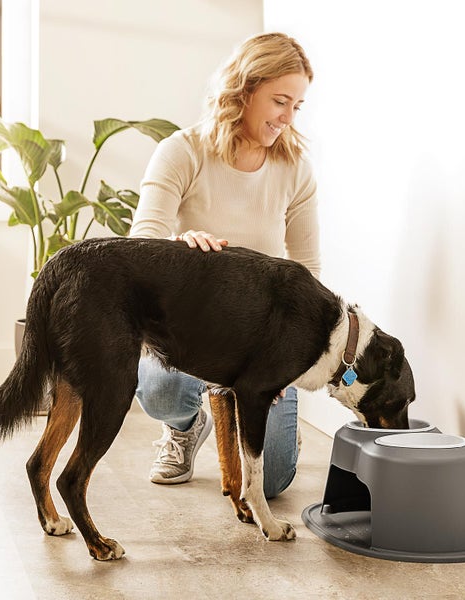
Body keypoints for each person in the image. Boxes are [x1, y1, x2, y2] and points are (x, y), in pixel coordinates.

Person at [129, 32, 319, 498]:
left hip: (261, 339)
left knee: (271, 482)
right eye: (280, 101)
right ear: (245, 89)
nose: (288, 117)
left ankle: (262, 418)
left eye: (297, 106)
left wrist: (289, 359)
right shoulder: (183, 150)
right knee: (161, 392)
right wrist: (178, 246)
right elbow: (140, 244)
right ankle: (185, 426)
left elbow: (308, 271)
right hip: (188, 328)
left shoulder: (295, 168)